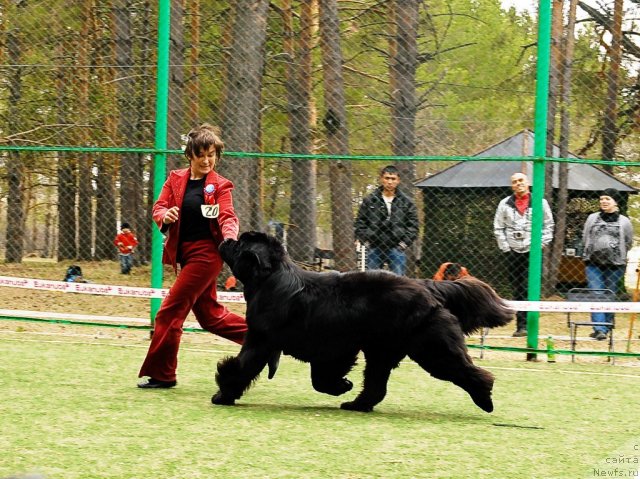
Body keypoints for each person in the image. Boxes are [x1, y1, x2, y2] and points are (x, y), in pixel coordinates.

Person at [137, 123, 247, 389]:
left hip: (207, 256)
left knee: (168, 313)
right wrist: (165, 216)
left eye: (212, 154)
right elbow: (159, 206)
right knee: (210, 316)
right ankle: (265, 338)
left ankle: (163, 375)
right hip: (185, 255)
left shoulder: (220, 186)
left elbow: (228, 217)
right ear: (190, 156)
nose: (208, 160)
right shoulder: (175, 179)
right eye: (202, 155)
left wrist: (230, 237)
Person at [493, 172, 554, 337]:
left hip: (532, 252)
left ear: (527, 183)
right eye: (514, 182)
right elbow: (498, 228)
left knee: (529, 288)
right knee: (517, 288)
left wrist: (540, 245)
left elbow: (548, 226)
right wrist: (506, 248)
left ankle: (527, 325)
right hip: (512, 252)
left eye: (521, 180)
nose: (518, 183)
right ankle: (520, 325)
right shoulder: (504, 204)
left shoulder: (540, 203)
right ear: (512, 185)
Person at [581, 188, 633, 341]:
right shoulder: (592, 218)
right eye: (602, 199)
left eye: (607, 199)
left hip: (615, 265)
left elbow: (628, 241)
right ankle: (599, 329)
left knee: (609, 294)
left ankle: (607, 325)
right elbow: (585, 237)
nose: (603, 201)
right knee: (596, 293)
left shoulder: (624, 221)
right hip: (593, 263)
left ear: (615, 202)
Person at [354, 165, 419, 276]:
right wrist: (366, 240)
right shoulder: (370, 200)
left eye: (393, 179)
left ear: (398, 180)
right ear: (381, 179)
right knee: (372, 281)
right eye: (387, 178)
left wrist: (403, 244)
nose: (389, 182)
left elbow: (413, 226)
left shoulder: (406, 202)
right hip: (374, 246)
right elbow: (360, 222)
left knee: (398, 282)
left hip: (396, 247)